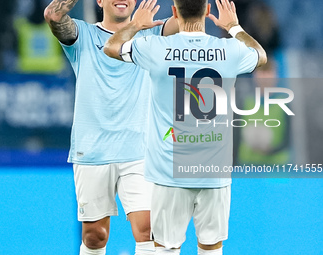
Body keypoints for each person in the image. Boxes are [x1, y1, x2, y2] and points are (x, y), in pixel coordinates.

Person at [104, 0, 267, 254]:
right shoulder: (229, 50)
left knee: (166, 248)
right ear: (208, 11)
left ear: (174, 12)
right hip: (214, 172)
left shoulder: (156, 48)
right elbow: (261, 55)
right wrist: (234, 27)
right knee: (211, 248)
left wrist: (136, 24)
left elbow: (111, 46)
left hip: (169, 173)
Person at [43, 0, 178, 254]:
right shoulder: (82, 35)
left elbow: (188, 18)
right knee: (95, 237)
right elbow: (53, 14)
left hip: (139, 150)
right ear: (100, 1)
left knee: (148, 229)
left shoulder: (151, 32)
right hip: (93, 150)